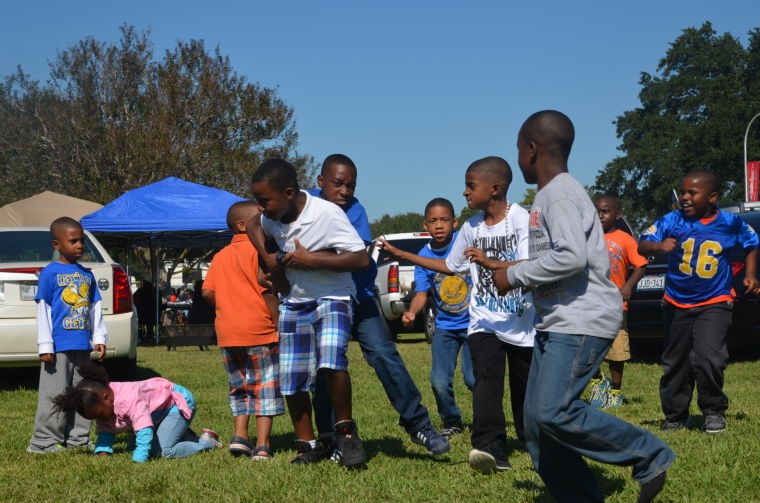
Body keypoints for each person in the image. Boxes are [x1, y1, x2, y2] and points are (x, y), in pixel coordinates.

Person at [495, 110, 675, 503]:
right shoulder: (550, 195)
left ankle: (649, 454)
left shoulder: (559, 194)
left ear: (531, 149)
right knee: (537, 424)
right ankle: (575, 495)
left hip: (581, 320)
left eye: (517, 149)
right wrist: (513, 270)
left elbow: (572, 257)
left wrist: (515, 276)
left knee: (552, 412)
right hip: (558, 319)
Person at [379, 156, 535, 474]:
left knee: (525, 387)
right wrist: (403, 254)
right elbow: (450, 265)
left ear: (495, 188)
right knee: (485, 384)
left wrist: (491, 263)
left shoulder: (522, 219)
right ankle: (491, 448)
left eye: (470, 185)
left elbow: (530, 266)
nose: (465, 192)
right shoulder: (471, 227)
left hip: (521, 322)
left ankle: (532, 440)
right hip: (483, 321)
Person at [308, 154, 450, 459]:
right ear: (321, 182)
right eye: (337, 183)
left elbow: (353, 256)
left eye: (351, 184)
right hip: (323, 299)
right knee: (326, 368)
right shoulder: (305, 203)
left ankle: (418, 424)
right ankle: (332, 438)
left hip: (359, 295)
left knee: (384, 354)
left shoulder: (355, 209)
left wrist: (313, 254)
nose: (345, 190)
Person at [246, 158, 370, 468]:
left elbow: (360, 259)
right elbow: (251, 225)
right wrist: (270, 258)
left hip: (334, 297)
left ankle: (346, 433)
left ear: (289, 192)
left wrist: (310, 259)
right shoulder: (270, 217)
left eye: (265, 202)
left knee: (331, 361)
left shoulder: (326, 214)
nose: (261, 208)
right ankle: (308, 445)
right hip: (295, 302)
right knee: (292, 377)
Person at [638, 170, 759, 434]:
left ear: (712, 197)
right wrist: (658, 247)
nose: (685, 197)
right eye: (683, 192)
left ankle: (713, 411)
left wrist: (750, 275)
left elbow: (752, 243)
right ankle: (675, 414)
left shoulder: (730, 223)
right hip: (676, 301)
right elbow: (643, 244)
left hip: (715, 301)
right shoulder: (671, 220)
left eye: (693, 193)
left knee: (709, 359)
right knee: (676, 362)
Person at [202, 201, 285, 461]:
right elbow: (269, 292)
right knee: (264, 387)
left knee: (238, 385)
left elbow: (207, 291)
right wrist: (278, 324)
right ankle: (262, 444)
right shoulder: (261, 252)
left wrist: (227, 307)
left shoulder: (220, 256)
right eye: (259, 218)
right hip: (260, 329)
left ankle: (240, 436)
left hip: (229, 332)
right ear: (242, 225)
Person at [27, 217, 108, 454]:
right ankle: (44, 442)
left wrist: (100, 338)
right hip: (58, 347)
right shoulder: (49, 274)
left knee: (83, 392)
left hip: (82, 345)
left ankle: (78, 438)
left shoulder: (87, 274)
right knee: (55, 394)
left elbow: (95, 309)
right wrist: (45, 344)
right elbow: (44, 309)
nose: (80, 245)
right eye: (73, 241)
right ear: (57, 244)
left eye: (81, 240)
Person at [402, 197, 474, 438]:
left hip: (475, 325)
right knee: (439, 381)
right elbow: (422, 294)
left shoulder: (464, 245)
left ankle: (486, 419)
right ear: (425, 225)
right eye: (433, 221)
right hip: (445, 327)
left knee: (474, 379)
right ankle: (452, 421)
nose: (439, 225)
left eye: (444, 220)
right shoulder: (423, 257)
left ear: (455, 222)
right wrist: (412, 311)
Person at [52, 363, 223, 462]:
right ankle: (184, 435)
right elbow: (106, 430)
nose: (100, 420)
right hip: (157, 411)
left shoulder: (129, 399)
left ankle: (208, 443)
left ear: (107, 398)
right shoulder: (105, 404)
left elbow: (144, 430)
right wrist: (102, 452)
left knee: (161, 451)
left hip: (176, 404)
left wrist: (139, 459)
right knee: (130, 448)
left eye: (99, 415)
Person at [587, 195, 648, 408]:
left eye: (605, 212)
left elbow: (641, 264)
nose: (600, 216)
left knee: (617, 350)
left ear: (617, 215)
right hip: (589, 303)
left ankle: (615, 392)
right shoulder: (586, 237)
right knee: (587, 347)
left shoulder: (625, 239)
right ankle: (597, 381)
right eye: (597, 211)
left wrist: (628, 286)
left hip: (614, 305)